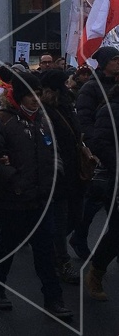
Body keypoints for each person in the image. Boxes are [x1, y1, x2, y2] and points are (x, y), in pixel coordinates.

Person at [0, 72, 73, 319]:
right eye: (29, 95)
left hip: (42, 197)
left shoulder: (43, 119)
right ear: (18, 95)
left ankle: (53, 299)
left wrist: (56, 170)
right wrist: (12, 177)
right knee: (8, 246)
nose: (35, 99)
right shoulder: (2, 121)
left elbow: (54, 149)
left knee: (45, 250)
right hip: (14, 199)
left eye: (38, 94)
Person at [71, 46, 119, 259]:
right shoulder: (91, 88)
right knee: (96, 199)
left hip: (113, 150)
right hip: (99, 152)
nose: (118, 62)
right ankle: (79, 237)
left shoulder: (114, 85)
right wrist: (95, 148)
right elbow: (85, 120)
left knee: (109, 201)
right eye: (115, 59)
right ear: (105, 63)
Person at [40, 70, 86, 284]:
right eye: (65, 82)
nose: (69, 84)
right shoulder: (46, 111)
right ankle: (61, 260)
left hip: (74, 171)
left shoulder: (68, 106)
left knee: (75, 216)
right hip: (58, 172)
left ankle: (47, 247)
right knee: (60, 219)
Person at [84, 83, 119, 300]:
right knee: (117, 232)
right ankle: (96, 272)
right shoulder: (112, 108)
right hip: (116, 178)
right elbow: (100, 142)